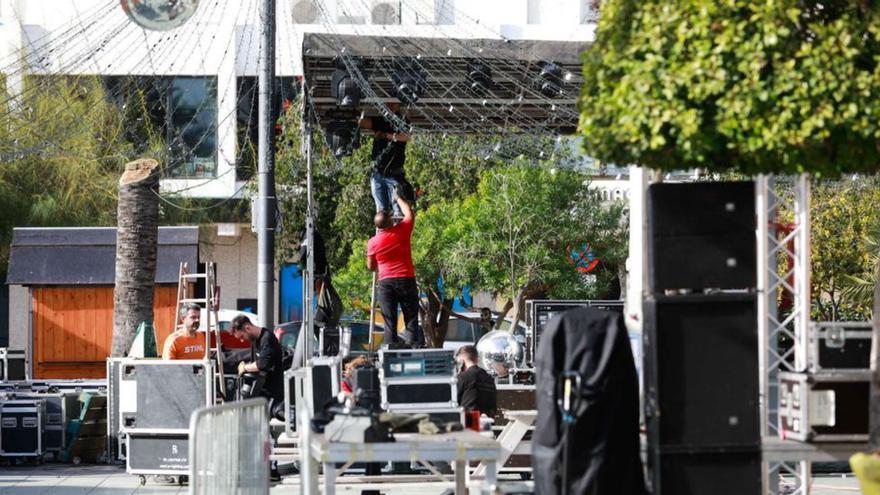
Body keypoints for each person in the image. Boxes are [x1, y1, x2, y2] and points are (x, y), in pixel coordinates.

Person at [367, 193, 423, 348]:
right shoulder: (402, 231)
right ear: (391, 221)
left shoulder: (373, 242)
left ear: (377, 226)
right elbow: (409, 214)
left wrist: (382, 264)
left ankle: (391, 349)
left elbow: (371, 266)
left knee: (389, 320)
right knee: (411, 316)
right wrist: (398, 198)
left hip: (386, 283)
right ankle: (412, 346)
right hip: (406, 279)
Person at [360, 102, 411, 219]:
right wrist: (356, 115)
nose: (391, 105)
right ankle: (383, 234)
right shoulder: (381, 119)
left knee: (398, 210)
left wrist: (388, 135)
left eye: (394, 103)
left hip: (394, 174)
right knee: (381, 212)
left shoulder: (402, 120)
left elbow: (407, 136)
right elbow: (365, 123)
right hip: (378, 173)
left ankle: (397, 233)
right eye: (388, 103)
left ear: (399, 105)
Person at [230, 315, 285, 421]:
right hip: (261, 391)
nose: (242, 341)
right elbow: (255, 362)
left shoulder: (267, 338)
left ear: (247, 328)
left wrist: (245, 368)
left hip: (273, 392)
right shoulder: (255, 341)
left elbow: (263, 364)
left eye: (242, 337)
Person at [455, 345, 497, 415]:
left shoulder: (463, 377)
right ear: (477, 359)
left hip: (469, 421)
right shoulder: (489, 378)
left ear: (461, 362)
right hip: (488, 421)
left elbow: (453, 400)